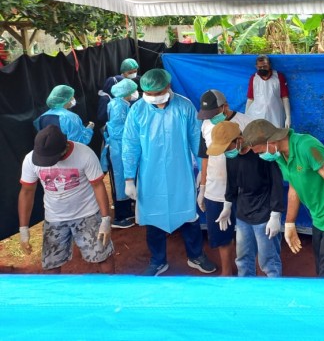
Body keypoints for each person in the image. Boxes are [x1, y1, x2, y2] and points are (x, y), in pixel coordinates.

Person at [122, 69, 217, 276]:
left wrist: (203, 171)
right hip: (150, 175)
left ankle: (196, 255)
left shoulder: (184, 106)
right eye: (149, 94)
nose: (154, 97)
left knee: (188, 214)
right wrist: (129, 178)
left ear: (168, 86)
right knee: (153, 217)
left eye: (158, 93)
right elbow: (130, 145)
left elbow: (197, 140)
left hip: (180, 172)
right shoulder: (137, 110)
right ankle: (158, 261)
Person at [242, 119, 324, 278]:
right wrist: (290, 223)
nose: (261, 156)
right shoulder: (281, 156)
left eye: (260, 152)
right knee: (321, 265)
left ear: (271, 142)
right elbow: (294, 188)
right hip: (317, 216)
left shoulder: (307, 147)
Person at [17, 125, 114, 273]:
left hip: (87, 214)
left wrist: (105, 219)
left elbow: (98, 186)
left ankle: (111, 285)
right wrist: (23, 228)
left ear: (64, 149)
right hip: (54, 217)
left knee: (102, 256)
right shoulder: (30, 160)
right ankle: (55, 289)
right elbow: (27, 192)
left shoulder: (85, 154)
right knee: (51, 264)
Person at [209, 121, 285, 278]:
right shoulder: (232, 156)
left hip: (264, 215)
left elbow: (277, 183)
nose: (226, 153)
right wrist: (227, 206)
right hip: (243, 214)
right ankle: (246, 290)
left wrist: (275, 214)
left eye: (227, 148)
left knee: (268, 262)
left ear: (239, 140)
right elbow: (232, 182)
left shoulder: (261, 152)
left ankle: (274, 291)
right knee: (243, 260)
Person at [196, 89, 252, 276]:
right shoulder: (205, 125)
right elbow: (205, 157)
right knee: (222, 234)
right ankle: (227, 272)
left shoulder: (246, 123)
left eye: (214, 114)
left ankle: (247, 273)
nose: (210, 118)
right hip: (216, 188)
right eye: (207, 115)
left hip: (244, 189)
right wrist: (203, 188)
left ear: (225, 107)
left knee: (247, 234)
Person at [101, 78, 139, 229]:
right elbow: (118, 130)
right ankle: (120, 217)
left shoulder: (120, 103)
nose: (135, 93)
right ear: (127, 93)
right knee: (120, 181)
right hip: (118, 148)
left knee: (124, 180)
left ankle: (126, 210)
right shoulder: (118, 106)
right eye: (133, 91)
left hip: (121, 147)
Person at [245, 54, 291, 128]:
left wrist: (288, 116)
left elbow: (285, 98)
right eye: (260, 67)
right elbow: (250, 99)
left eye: (265, 66)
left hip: (276, 115)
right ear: (256, 67)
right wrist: (245, 116)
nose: (262, 68)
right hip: (256, 115)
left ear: (270, 65)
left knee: (276, 133)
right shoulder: (254, 78)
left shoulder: (279, 77)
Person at [97, 58, 140, 123]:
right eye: (130, 72)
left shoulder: (122, 100)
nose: (133, 74)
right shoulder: (107, 100)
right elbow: (102, 118)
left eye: (135, 71)